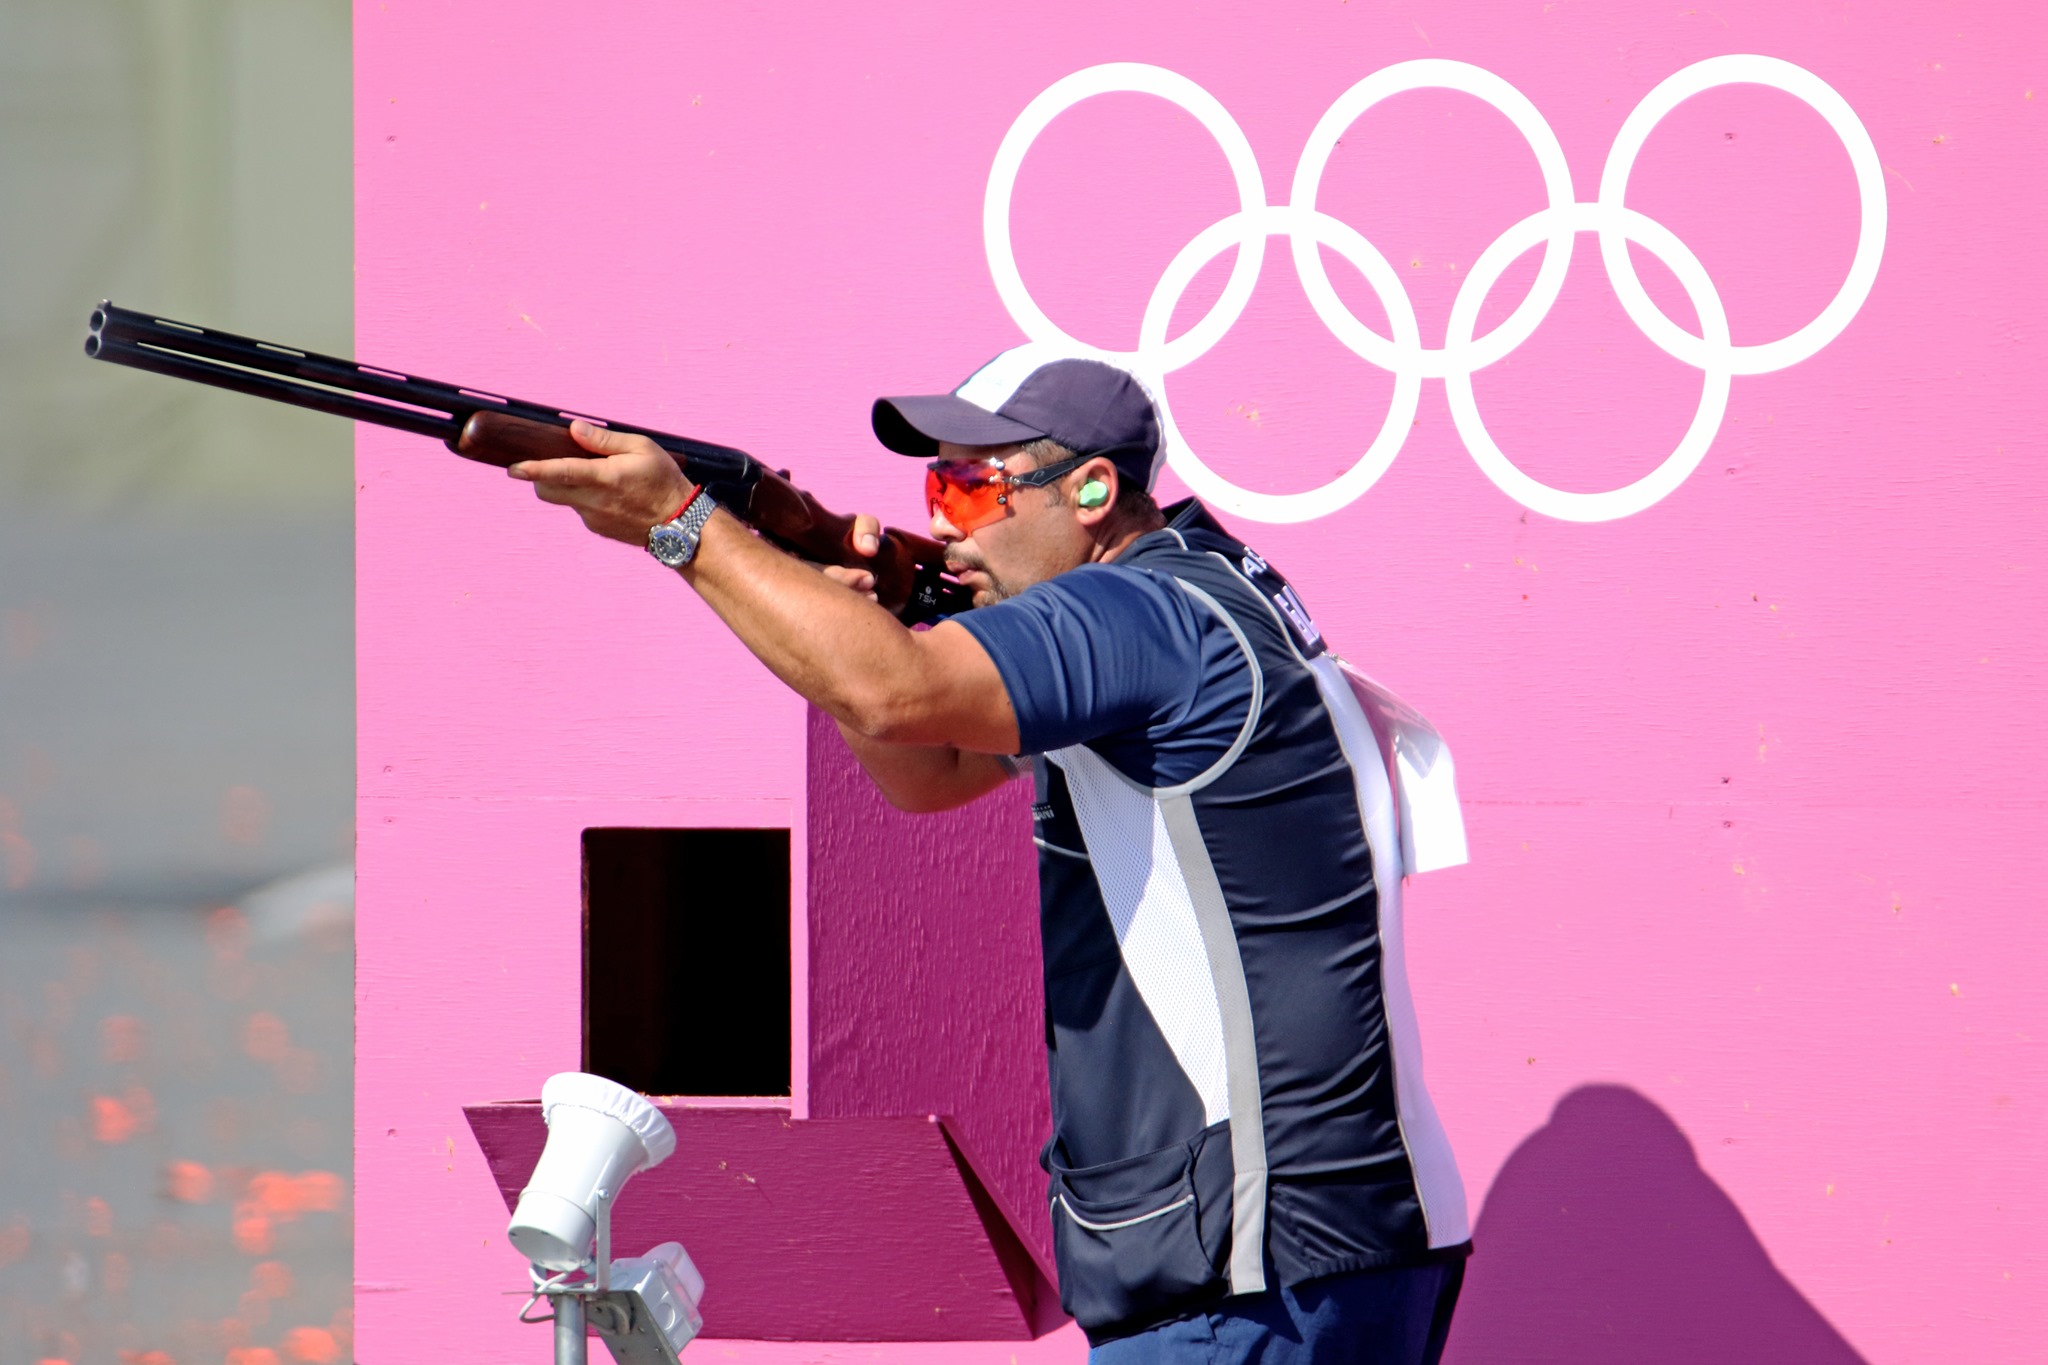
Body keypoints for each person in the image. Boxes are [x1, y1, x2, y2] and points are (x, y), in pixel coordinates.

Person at [507, 345, 1470, 1363]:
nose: (947, 521)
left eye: (971, 487)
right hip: (1330, 1243)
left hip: (1255, 1269)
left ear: (1092, 490)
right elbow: (924, 772)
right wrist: (870, 610)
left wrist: (686, 528)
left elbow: (893, 690)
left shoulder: (1137, 614)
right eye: (936, 487)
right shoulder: (1200, 590)